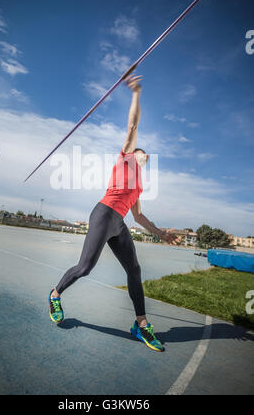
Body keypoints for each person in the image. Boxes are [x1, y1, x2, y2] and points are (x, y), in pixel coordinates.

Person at [49, 74, 179, 352]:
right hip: (103, 214)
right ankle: (55, 294)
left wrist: (160, 233)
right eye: (143, 153)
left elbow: (138, 217)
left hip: (119, 223)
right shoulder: (125, 158)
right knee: (85, 268)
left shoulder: (139, 185)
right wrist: (136, 92)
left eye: (147, 157)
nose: (145, 156)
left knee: (134, 270)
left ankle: (141, 325)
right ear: (135, 153)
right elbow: (133, 125)